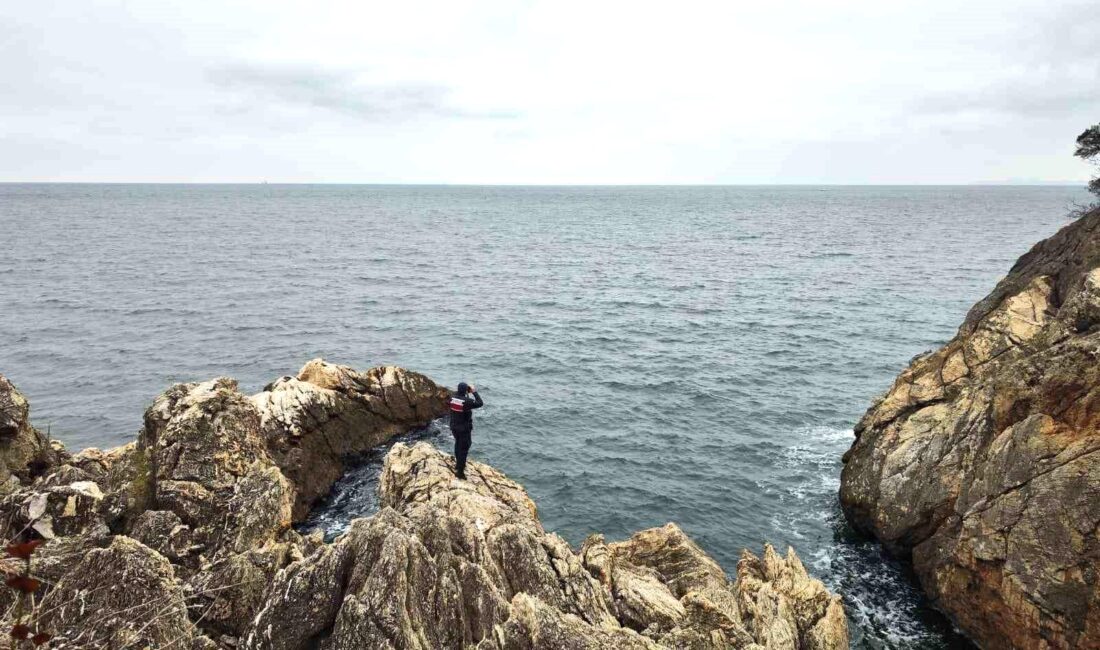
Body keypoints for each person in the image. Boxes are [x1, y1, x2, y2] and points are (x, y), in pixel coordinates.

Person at [448, 381, 483, 479]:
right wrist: (474, 392)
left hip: (454, 427)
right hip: (464, 429)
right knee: (464, 448)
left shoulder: (451, 399)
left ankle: (458, 464)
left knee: (457, 444)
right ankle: (460, 472)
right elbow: (480, 403)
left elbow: (455, 401)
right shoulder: (467, 402)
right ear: (466, 390)